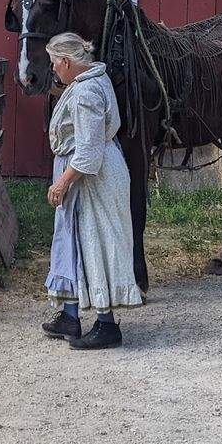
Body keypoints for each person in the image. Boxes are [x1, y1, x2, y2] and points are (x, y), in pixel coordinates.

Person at [42, 32, 142, 350]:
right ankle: (71, 315)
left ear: (67, 61)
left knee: (97, 242)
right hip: (94, 171)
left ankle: (107, 324)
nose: (54, 70)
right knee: (74, 242)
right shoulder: (94, 79)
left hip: (93, 177)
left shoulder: (86, 92)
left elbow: (87, 153)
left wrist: (62, 182)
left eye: (54, 63)